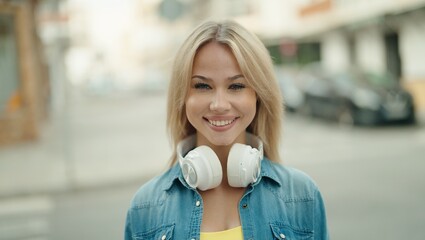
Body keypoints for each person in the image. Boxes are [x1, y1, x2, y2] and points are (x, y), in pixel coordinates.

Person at [125, 20, 328, 240]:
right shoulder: (145, 208)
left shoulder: (302, 196)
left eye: (236, 86)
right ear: (182, 96)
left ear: (258, 95)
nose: (219, 104)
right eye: (202, 86)